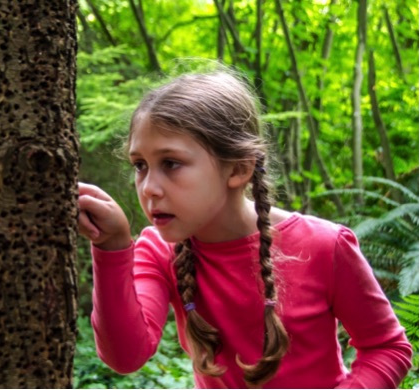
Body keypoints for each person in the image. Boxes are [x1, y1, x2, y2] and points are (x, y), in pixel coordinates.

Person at [77, 70, 412, 388]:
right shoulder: (158, 250)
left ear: (238, 169)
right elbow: (125, 356)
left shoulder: (324, 245)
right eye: (140, 166)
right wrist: (112, 247)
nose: (149, 187)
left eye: (171, 163)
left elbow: (387, 347)